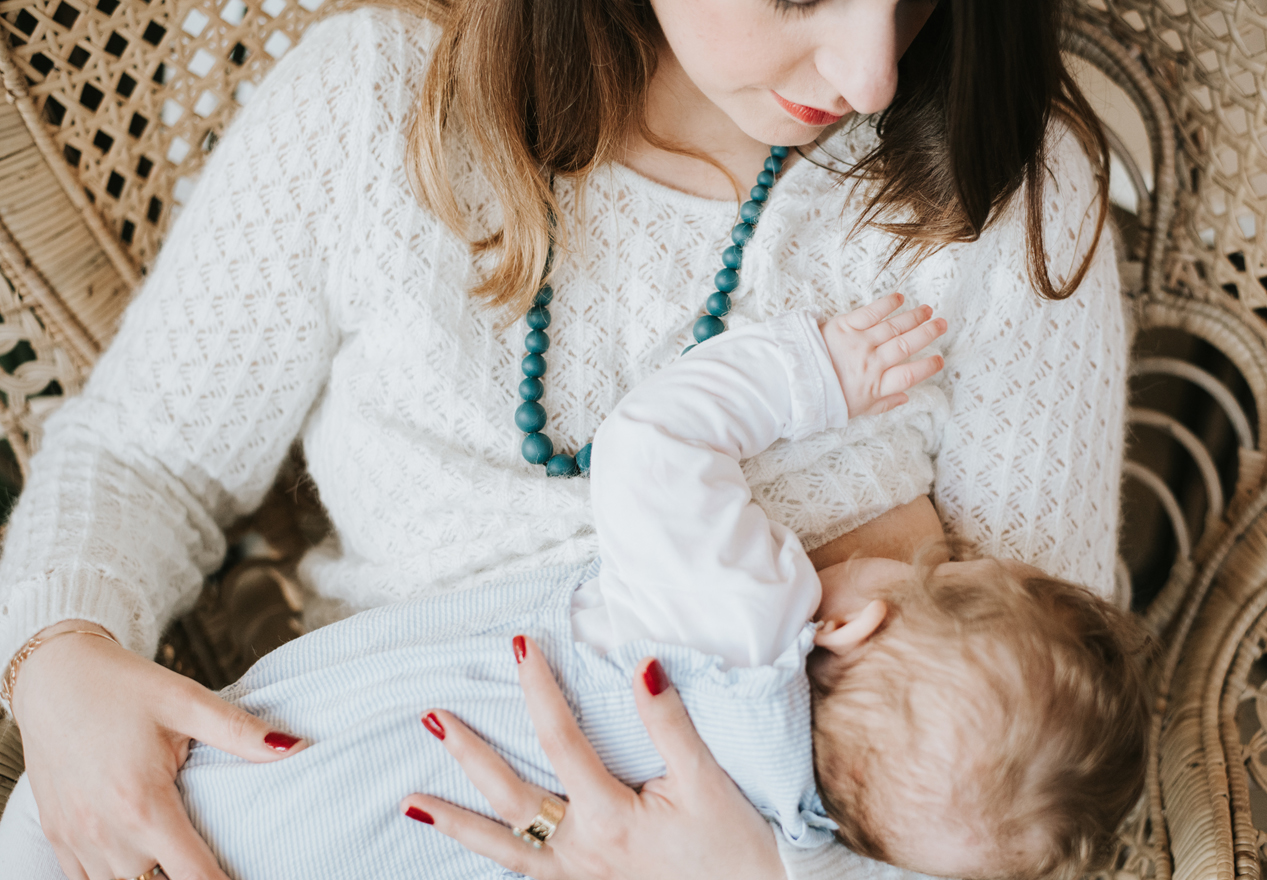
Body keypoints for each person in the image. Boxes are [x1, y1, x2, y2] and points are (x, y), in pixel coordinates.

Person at [0, 0, 1127, 877]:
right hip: (348, 792)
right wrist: (58, 662)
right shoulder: (374, 106)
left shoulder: (1004, 195)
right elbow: (147, 457)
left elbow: (1013, 771)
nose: (872, 70)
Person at [4, 299, 1147, 880]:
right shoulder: (798, 848)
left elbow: (654, 444)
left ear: (854, 617)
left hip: (228, 789)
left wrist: (819, 370)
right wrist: (56, 654)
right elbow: (137, 454)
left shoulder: (742, 614)